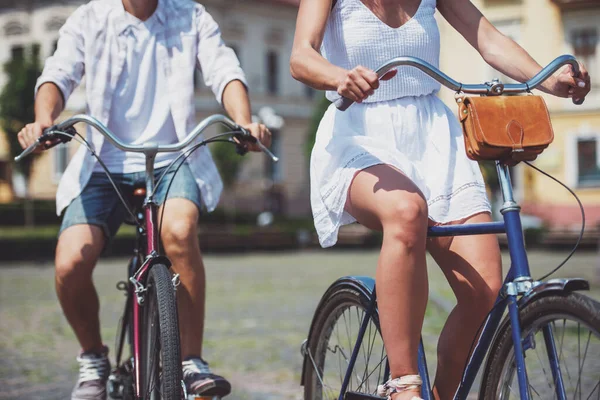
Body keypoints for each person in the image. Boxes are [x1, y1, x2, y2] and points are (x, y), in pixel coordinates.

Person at [290, 0, 590, 398]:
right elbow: (300, 56)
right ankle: (403, 384)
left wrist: (547, 79)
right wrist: (338, 77)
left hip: (433, 138)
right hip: (359, 133)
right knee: (406, 211)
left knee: (484, 288)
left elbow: (486, 36)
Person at [17, 0, 270, 398]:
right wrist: (43, 119)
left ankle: (189, 359)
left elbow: (224, 69)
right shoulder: (91, 17)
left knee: (180, 231)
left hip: (173, 156)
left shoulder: (190, 15)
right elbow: (59, 73)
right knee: (70, 262)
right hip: (103, 161)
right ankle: (93, 357)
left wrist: (243, 120)